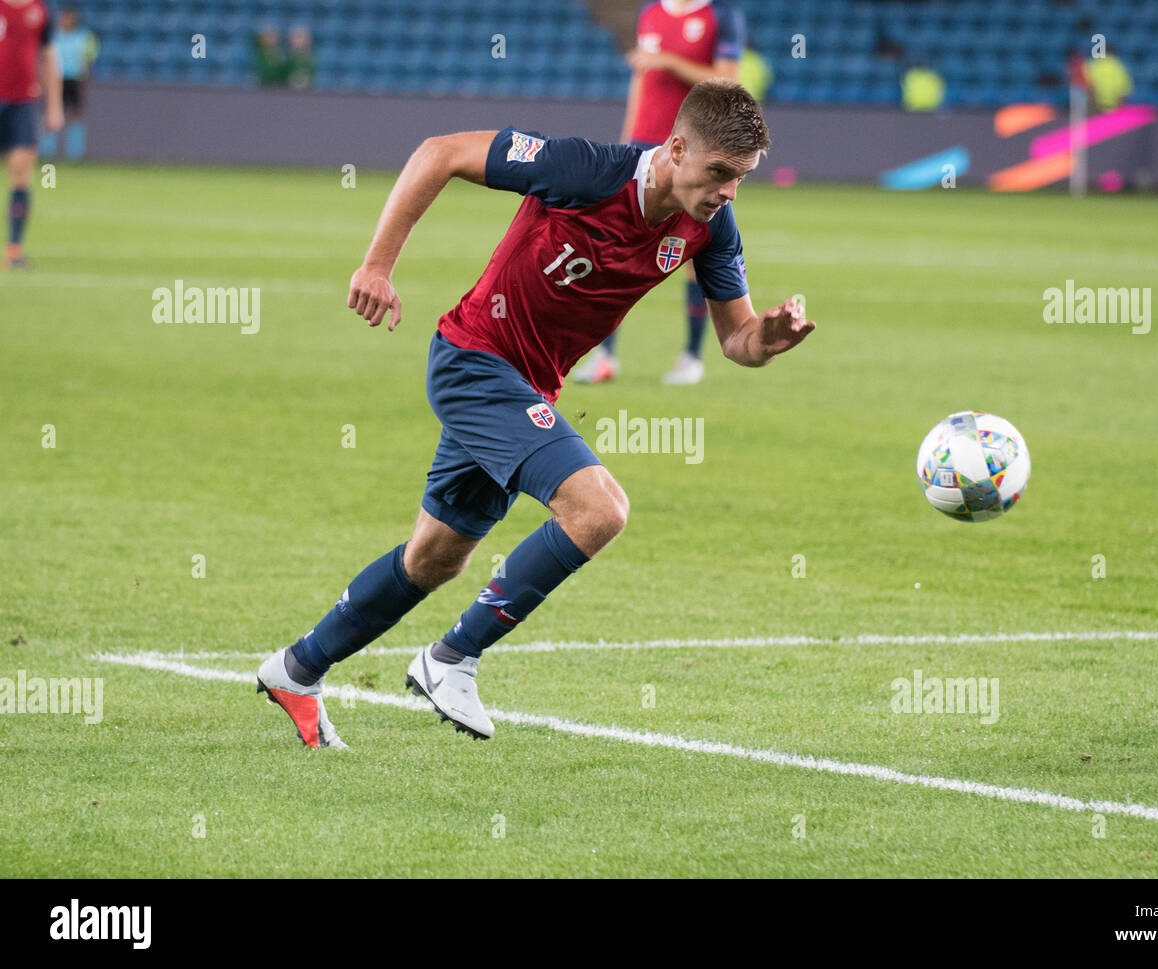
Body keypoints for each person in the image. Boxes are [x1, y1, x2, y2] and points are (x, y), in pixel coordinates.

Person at [255, 80, 815, 747]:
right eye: (719, 172)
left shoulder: (710, 225)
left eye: (741, 179)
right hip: (474, 361)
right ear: (675, 148)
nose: (727, 191)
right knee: (599, 509)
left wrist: (768, 340)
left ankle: (296, 668)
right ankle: (451, 658)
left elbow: (736, 339)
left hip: (529, 389)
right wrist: (377, 265)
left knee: (433, 559)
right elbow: (440, 152)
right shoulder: (583, 170)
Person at [571, 0, 744, 387]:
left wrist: (669, 61)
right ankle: (604, 356)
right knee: (612, 247)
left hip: (692, 153)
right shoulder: (650, 11)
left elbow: (728, 81)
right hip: (642, 148)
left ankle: (692, 357)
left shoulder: (720, 14)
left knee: (692, 254)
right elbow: (641, 79)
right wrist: (625, 142)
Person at [0, 0, 61, 270]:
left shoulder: (42, 10)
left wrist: (54, 105)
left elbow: (48, 55)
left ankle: (14, 249)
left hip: (24, 102)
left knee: (21, 171)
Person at [44, 4, 96, 161]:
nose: (65, 20)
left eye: (68, 16)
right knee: (52, 112)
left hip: (75, 78)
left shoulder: (84, 37)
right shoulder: (53, 36)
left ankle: (75, 154)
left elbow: (88, 61)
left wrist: (87, 80)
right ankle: (47, 152)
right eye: (63, 16)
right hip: (57, 79)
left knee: (75, 114)